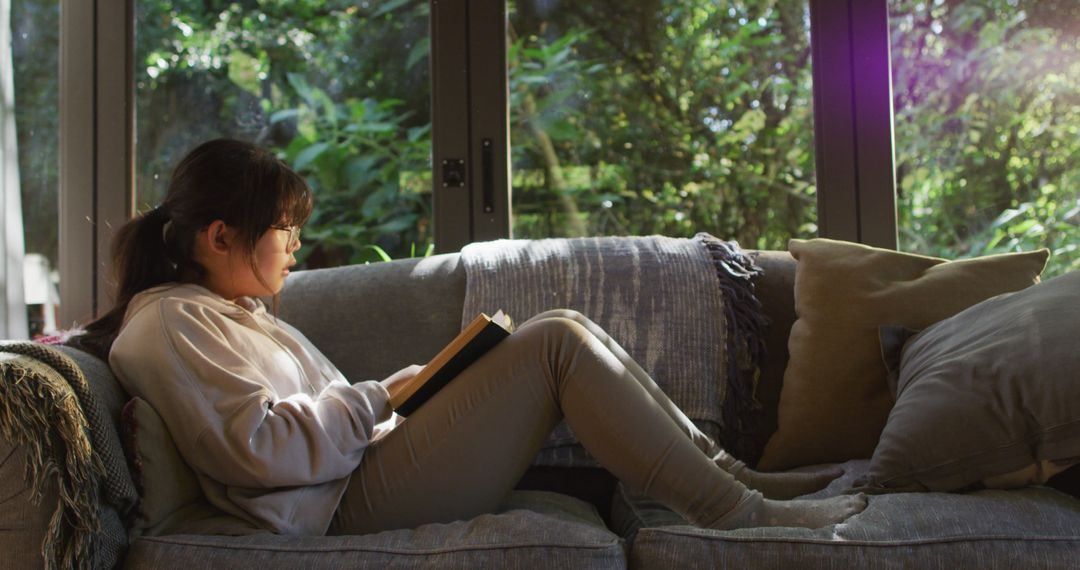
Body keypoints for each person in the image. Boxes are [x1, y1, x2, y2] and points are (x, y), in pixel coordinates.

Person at [74, 138, 867, 536]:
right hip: (340, 504)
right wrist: (386, 394)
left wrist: (410, 395)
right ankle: (738, 513)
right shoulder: (170, 325)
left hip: (358, 469)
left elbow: (290, 426)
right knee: (555, 342)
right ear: (218, 236)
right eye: (281, 229)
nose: (294, 246)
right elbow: (257, 449)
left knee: (566, 327)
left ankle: (742, 480)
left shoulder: (223, 315)